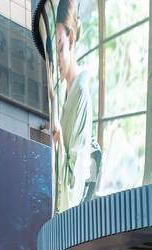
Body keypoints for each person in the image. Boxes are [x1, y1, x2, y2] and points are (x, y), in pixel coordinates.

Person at [50, 0, 101, 212]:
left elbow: (73, 190)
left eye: (60, 48)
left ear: (71, 39)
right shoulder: (64, 92)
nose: (57, 60)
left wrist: (59, 137)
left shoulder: (81, 93)